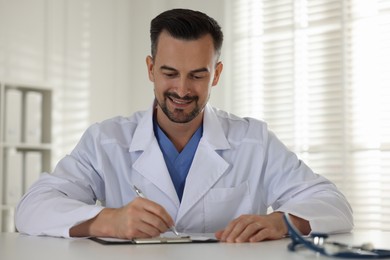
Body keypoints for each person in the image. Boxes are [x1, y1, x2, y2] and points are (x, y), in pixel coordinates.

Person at [15, 8, 353, 243]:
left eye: (197, 75)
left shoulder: (254, 140)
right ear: (150, 69)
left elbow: (333, 204)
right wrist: (107, 220)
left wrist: (283, 222)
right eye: (169, 73)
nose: (181, 89)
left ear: (216, 74)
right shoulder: (106, 139)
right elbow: (32, 209)